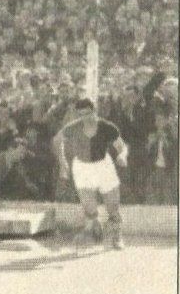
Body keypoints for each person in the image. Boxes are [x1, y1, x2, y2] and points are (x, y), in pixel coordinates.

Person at [53, 98, 129, 249]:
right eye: (80, 115)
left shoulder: (107, 127)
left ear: (94, 111)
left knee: (113, 207)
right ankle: (96, 228)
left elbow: (121, 146)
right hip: (82, 168)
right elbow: (57, 140)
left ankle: (117, 237)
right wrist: (62, 162)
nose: (84, 118)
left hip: (103, 167)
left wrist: (122, 155)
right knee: (90, 210)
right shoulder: (73, 127)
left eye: (87, 114)